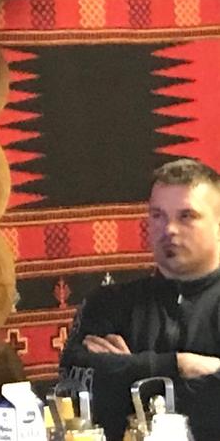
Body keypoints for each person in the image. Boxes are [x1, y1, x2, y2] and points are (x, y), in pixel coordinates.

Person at [59, 158, 220, 440]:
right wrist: (177, 365)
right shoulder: (108, 303)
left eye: (186, 216)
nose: (169, 229)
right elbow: (73, 383)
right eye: (158, 215)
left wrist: (127, 372)